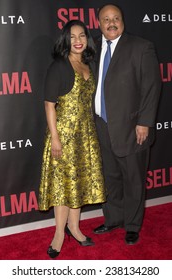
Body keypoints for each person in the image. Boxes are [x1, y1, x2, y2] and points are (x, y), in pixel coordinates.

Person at [93, 3, 161, 244]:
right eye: (106, 19)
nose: (111, 23)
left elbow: (152, 88)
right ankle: (113, 219)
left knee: (133, 178)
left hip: (133, 127)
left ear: (123, 20)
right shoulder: (92, 46)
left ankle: (132, 225)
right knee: (110, 177)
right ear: (98, 23)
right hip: (101, 125)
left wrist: (144, 122)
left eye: (116, 18)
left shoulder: (141, 47)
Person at [38, 20, 106, 258]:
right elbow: (49, 105)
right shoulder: (59, 66)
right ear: (66, 40)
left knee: (80, 184)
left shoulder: (89, 63)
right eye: (73, 36)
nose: (78, 40)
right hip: (64, 135)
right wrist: (55, 138)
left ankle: (75, 228)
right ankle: (59, 233)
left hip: (86, 136)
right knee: (62, 187)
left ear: (87, 39)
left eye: (83, 36)